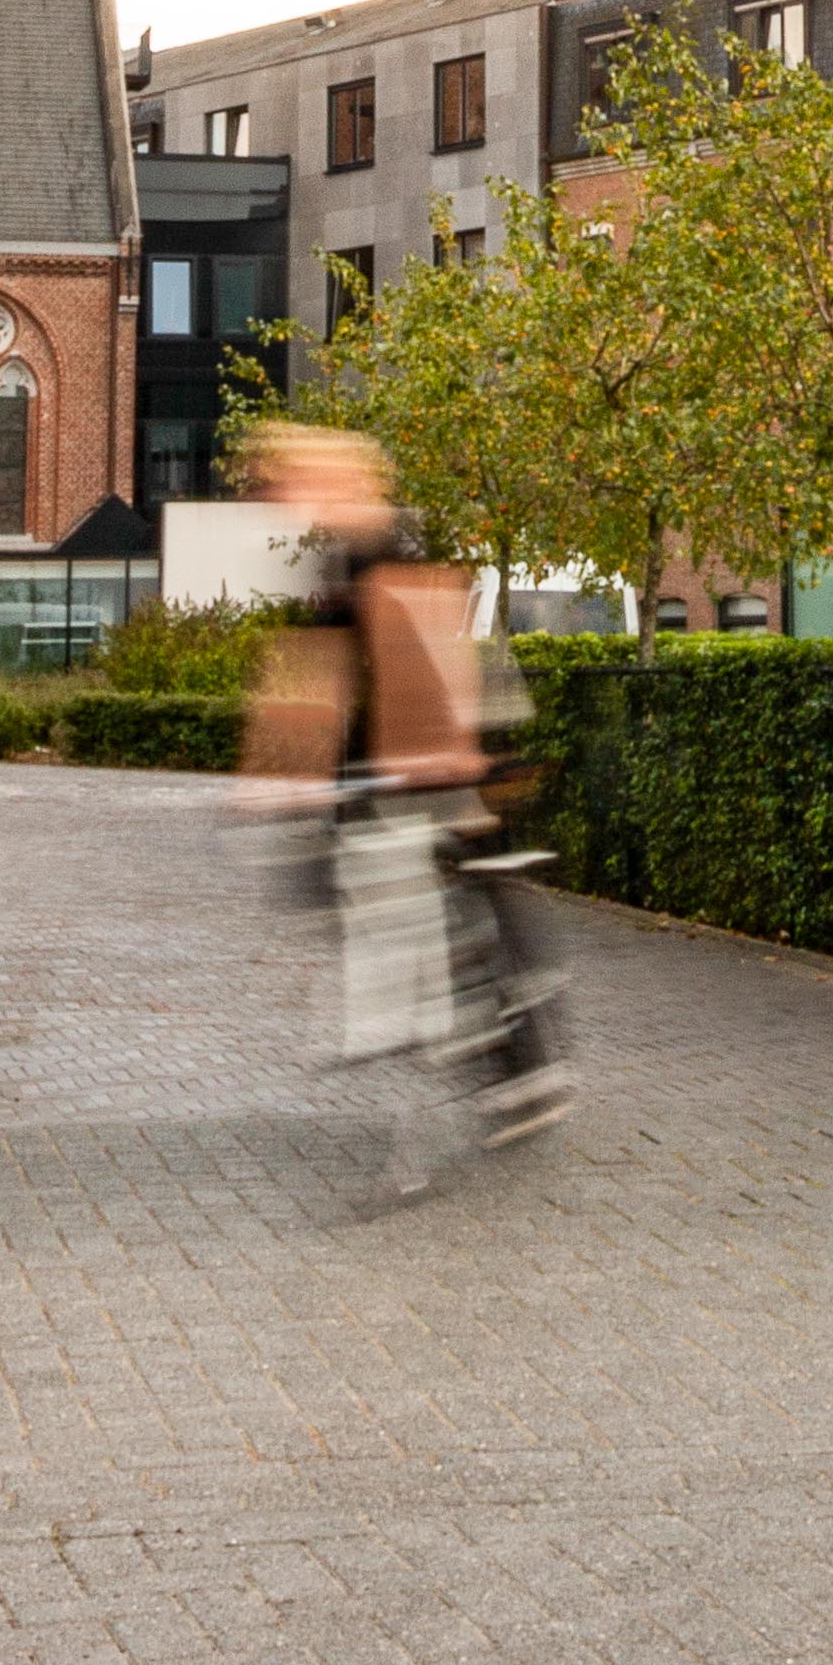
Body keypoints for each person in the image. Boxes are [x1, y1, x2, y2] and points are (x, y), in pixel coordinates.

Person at [238, 422, 569, 1154]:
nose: (286, 501)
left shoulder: (394, 548)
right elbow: (317, 666)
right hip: (383, 774)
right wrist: (278, 772)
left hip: (431, 766)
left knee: (447, 904)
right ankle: (474, 1033)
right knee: (338, 881)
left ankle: (514, 1054)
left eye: (292, 484)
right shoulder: (338, 560)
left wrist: (439, 756)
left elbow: (433, 654)